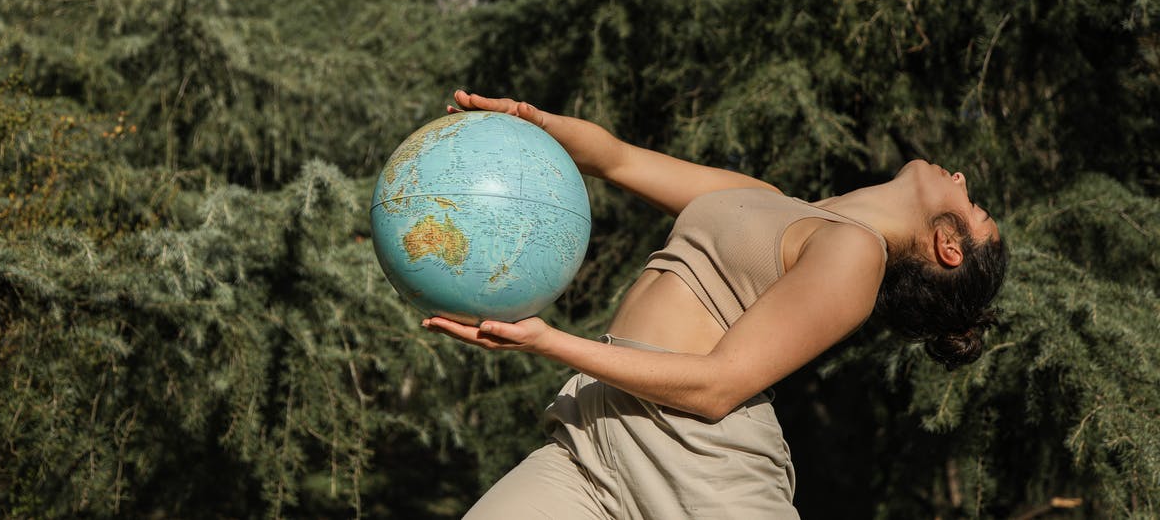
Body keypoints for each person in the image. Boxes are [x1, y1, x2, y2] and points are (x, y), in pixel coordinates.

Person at [422, 90, 1008, 519]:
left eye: (972, 201)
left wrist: (549, 341)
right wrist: (535, 124)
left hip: (703, 472)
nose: (959, 176)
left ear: (949, 247)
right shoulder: (775, 202)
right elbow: (617, 160)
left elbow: (718, 386)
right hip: (596, 437)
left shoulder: (857, 256)